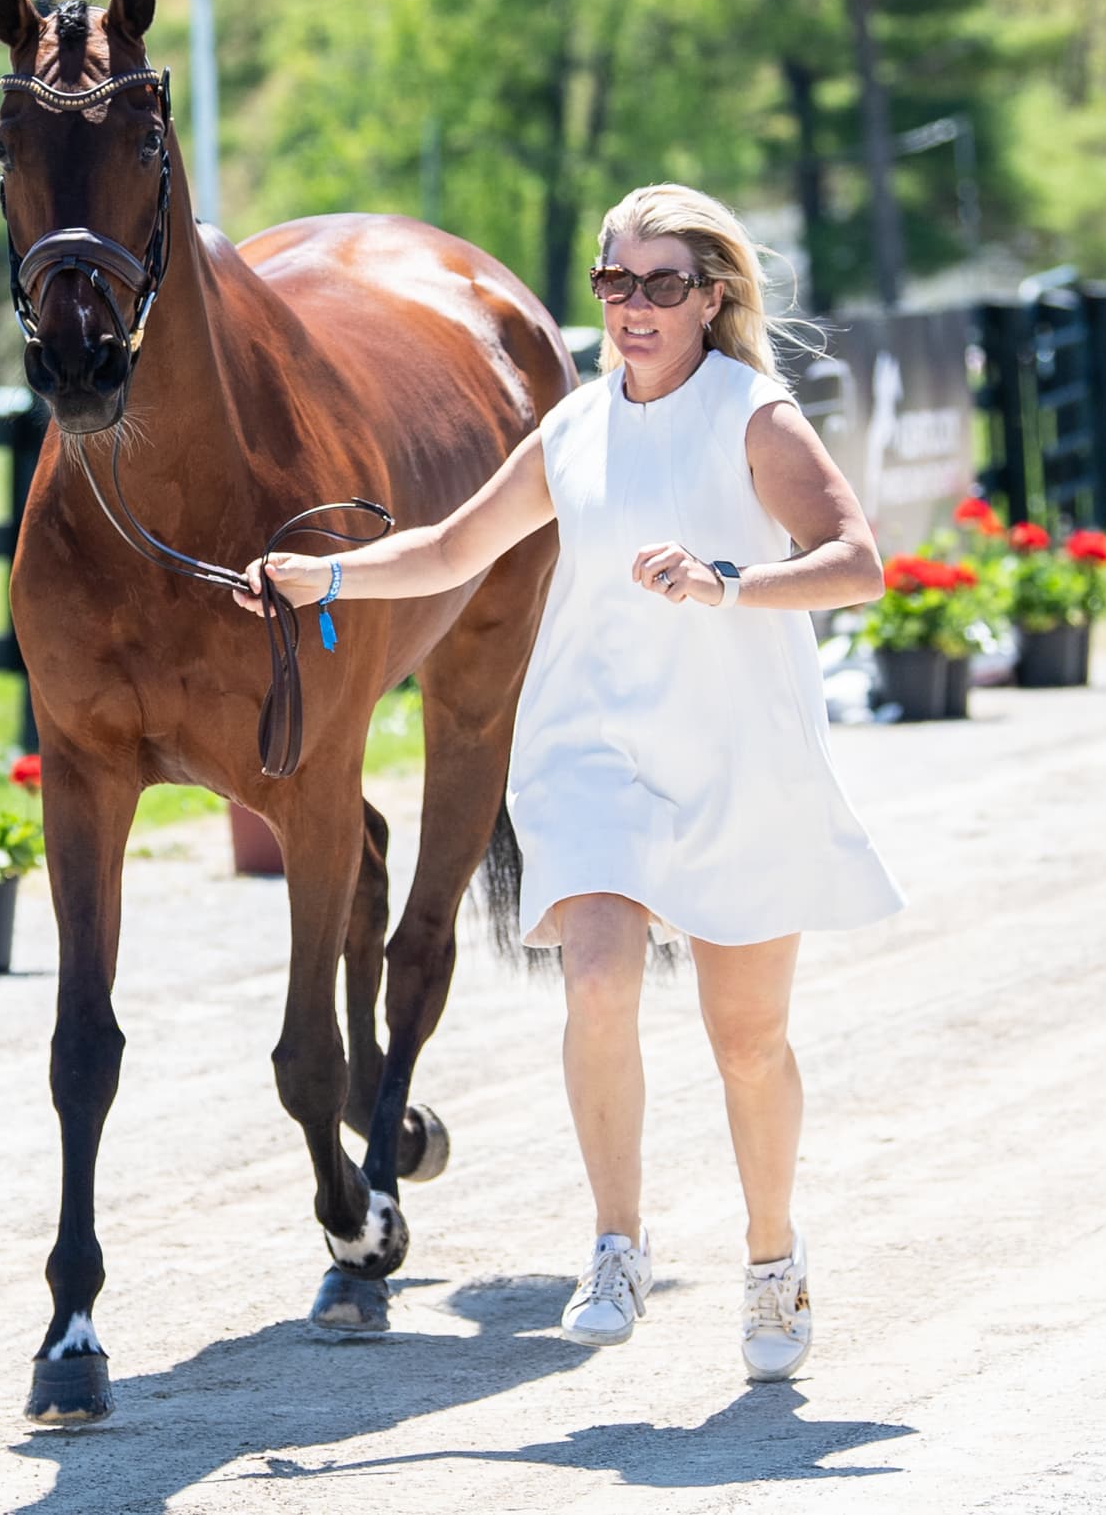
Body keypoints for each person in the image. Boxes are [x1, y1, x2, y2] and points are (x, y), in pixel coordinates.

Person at [238, 183, 905, 1382]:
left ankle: (770, 1256)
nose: (635, 307)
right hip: (593, 749)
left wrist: (729, 584)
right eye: (615, 283)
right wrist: (317, 581)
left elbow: (854, 562)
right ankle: (616, 1243)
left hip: (734, 753)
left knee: (745, 1041)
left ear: (712, 297)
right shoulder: (572, 429)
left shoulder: (753, 417)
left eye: (662, 285)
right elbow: (449, 550)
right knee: (596, 978)